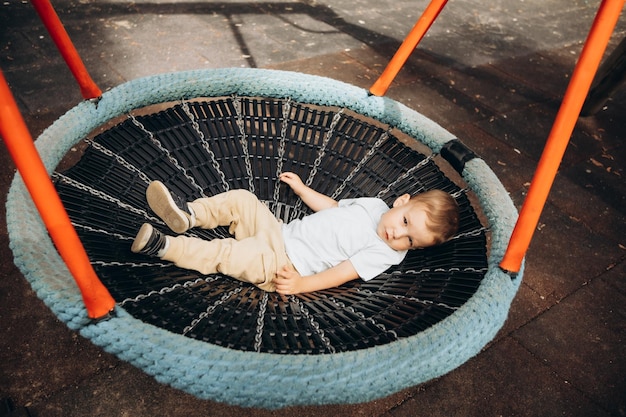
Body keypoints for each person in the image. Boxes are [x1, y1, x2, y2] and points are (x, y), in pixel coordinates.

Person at [131, 172, 459, 295]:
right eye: (404, 223)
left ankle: (166, 246)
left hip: (283, 265)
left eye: (411, 241)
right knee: (243, 199)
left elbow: (342, 274)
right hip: (277, 231)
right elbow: (332, 208)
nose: (398, 237)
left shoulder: (386, 253)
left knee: (229, 255)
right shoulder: (373, 205)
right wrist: (304, 191)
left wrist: (301, 284)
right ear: (402, 202)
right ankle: (188, 216)